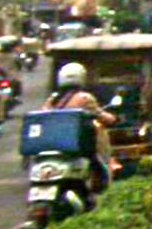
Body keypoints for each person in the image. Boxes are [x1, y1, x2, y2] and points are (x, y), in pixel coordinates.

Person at [42, 62, 117, 191]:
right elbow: (100, 115)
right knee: (98, 162)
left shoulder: (53, 99)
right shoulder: (84, 98)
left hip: (54, 143)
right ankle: (99, 185)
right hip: (77, 144)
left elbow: (44, 115)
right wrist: (112, 119)